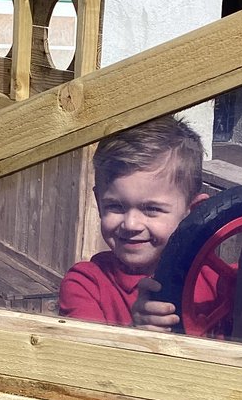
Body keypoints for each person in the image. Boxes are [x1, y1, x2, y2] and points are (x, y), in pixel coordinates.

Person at [59, 116, 212, 330]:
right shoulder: (86, 285)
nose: (131, 224)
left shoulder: (221, 282)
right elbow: (87, 360)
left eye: (152, 209)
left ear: (194, 212)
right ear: (98, 203)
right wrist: (135, 333)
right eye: (116, 207)